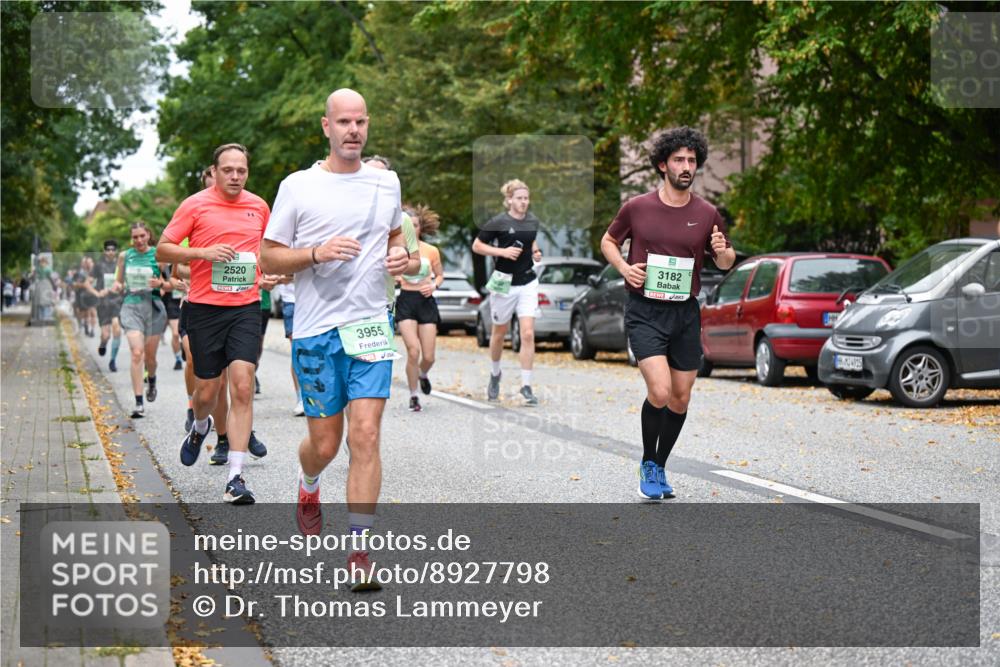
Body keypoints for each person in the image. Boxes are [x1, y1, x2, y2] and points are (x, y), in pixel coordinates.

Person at [260, 89, 416, 589]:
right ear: (326, 127)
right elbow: (267, 257)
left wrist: (403, 261)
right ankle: (309, 485)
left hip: (370, 324)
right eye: (344, 122)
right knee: (325, 444)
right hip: (315, 330)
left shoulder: (386, 182)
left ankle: (359, 551)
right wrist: (316, 253)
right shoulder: (298, 186)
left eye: (361, 122)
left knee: (366, 434)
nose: (353, 130)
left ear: (368, 125)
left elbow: (399, 241)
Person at [600, 126, 735, 499]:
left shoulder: (707, 213)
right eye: (679, 160)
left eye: (692, 160)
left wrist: (723, 250)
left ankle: (660, 465)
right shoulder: (638, 207)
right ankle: (648, 462)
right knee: (659, 390)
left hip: (685, 313)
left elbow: (724, 260)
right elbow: (609, 240)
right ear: (663, 164)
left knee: (680, 396)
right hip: (645, 309)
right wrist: (624, 268)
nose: (686, 166)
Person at [158, 144, 271, 504]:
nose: (235, 176)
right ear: (215, 170)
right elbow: (164, 249)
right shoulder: (195, 204)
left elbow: (266, 252)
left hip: (245, 308)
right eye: (228, 170)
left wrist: (267, 273)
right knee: (207, 392)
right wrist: (201, 253)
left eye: (241, 170)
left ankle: (235, 478)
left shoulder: (259, 206)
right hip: (205, 308)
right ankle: (200, 426)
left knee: (241, 385)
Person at [472, 179, 544, 405]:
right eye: (519, 198)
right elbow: (477, 246)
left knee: (528, 333)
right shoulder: (498, 222)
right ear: (509, 200)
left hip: (528, 282)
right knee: (499, 333)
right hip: (503, 284)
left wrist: (536, 252)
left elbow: (530, 242)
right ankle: (495, 374)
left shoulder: (533, 220)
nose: (523, 202)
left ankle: (526, 385)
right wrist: (501, 252)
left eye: (526, 198)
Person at [113, 222, 169, 418]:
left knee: (150, 358)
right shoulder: (124, 256)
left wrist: (159, 283)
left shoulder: (158, 255)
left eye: (142, 236)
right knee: (137, 353)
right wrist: (117, 286)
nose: (138, 240)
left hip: (153, 307)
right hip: (131, 306)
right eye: (135, 237)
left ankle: (151, 378)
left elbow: (169, 284)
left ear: (148, 235)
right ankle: (138, 402)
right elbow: (119, 281)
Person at [396, 204, 444, 412]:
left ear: (420, 227)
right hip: (406, 300)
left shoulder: (431, 251)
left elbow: (440, 275)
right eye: (408, 225)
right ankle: (414, 395)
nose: (412, 228)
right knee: (413, 351)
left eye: (415, 225)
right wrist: (394, 277)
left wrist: (433, 285)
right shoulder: (397, 249)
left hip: (426, 302)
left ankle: (423, 374)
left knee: (429, 356)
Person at [91, 240, 124, 372]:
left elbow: (125, 282)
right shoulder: (98, 266)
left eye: (113, 249)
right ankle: (103, 344)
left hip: (116, 301)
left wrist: (121, 287)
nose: (110, 251)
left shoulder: (121, 265)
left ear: (116, 251)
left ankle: (112, 360)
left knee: (116, 329)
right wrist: (97, 293)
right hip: (103, 303)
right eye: (108, 249)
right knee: (106, 335)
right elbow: (88, 282)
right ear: (104, 251)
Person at [273, 280, 304, 416]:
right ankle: (301, 399)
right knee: (297, 351)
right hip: (291, 301)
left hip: (315, 301)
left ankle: (316, 396)